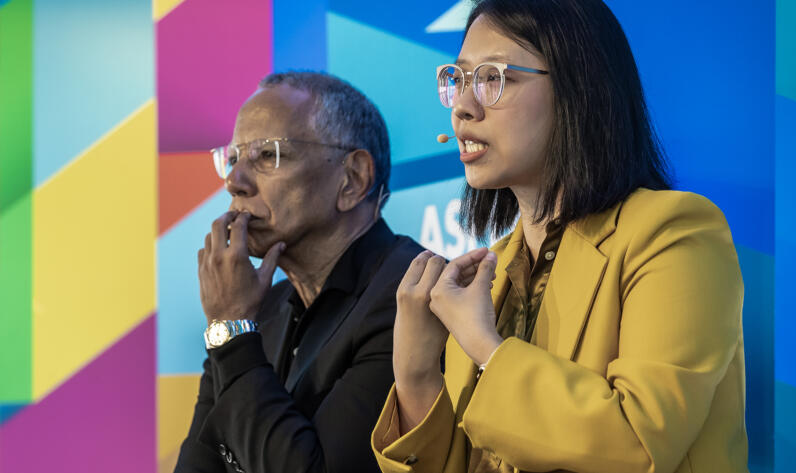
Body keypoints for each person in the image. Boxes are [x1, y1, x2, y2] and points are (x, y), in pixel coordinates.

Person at [372, 1, 749, 472]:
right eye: (459, 79)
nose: (464, 108)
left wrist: (487, 349)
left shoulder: (674, 231)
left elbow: (637, 445)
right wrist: (414, 375)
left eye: (494, 79)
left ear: (579, 90)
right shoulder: (489, 271)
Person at [174, 71, 423, 473]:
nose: (234, 182)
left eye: (268, 155)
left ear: (353, 180)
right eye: (233, 159)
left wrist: (233, 329)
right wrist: (232, 327)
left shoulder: (410, 297)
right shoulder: (260, 310)